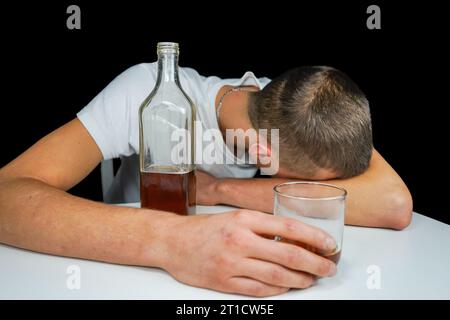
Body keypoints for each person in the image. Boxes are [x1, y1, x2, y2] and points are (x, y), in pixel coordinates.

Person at [0, 62, 412, 297]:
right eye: (296, 184)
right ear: (264, 155)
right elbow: (6, 194)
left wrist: (217, 189)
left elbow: (392, 204)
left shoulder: (302, 118)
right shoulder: (147, 91)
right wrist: (171, 240)